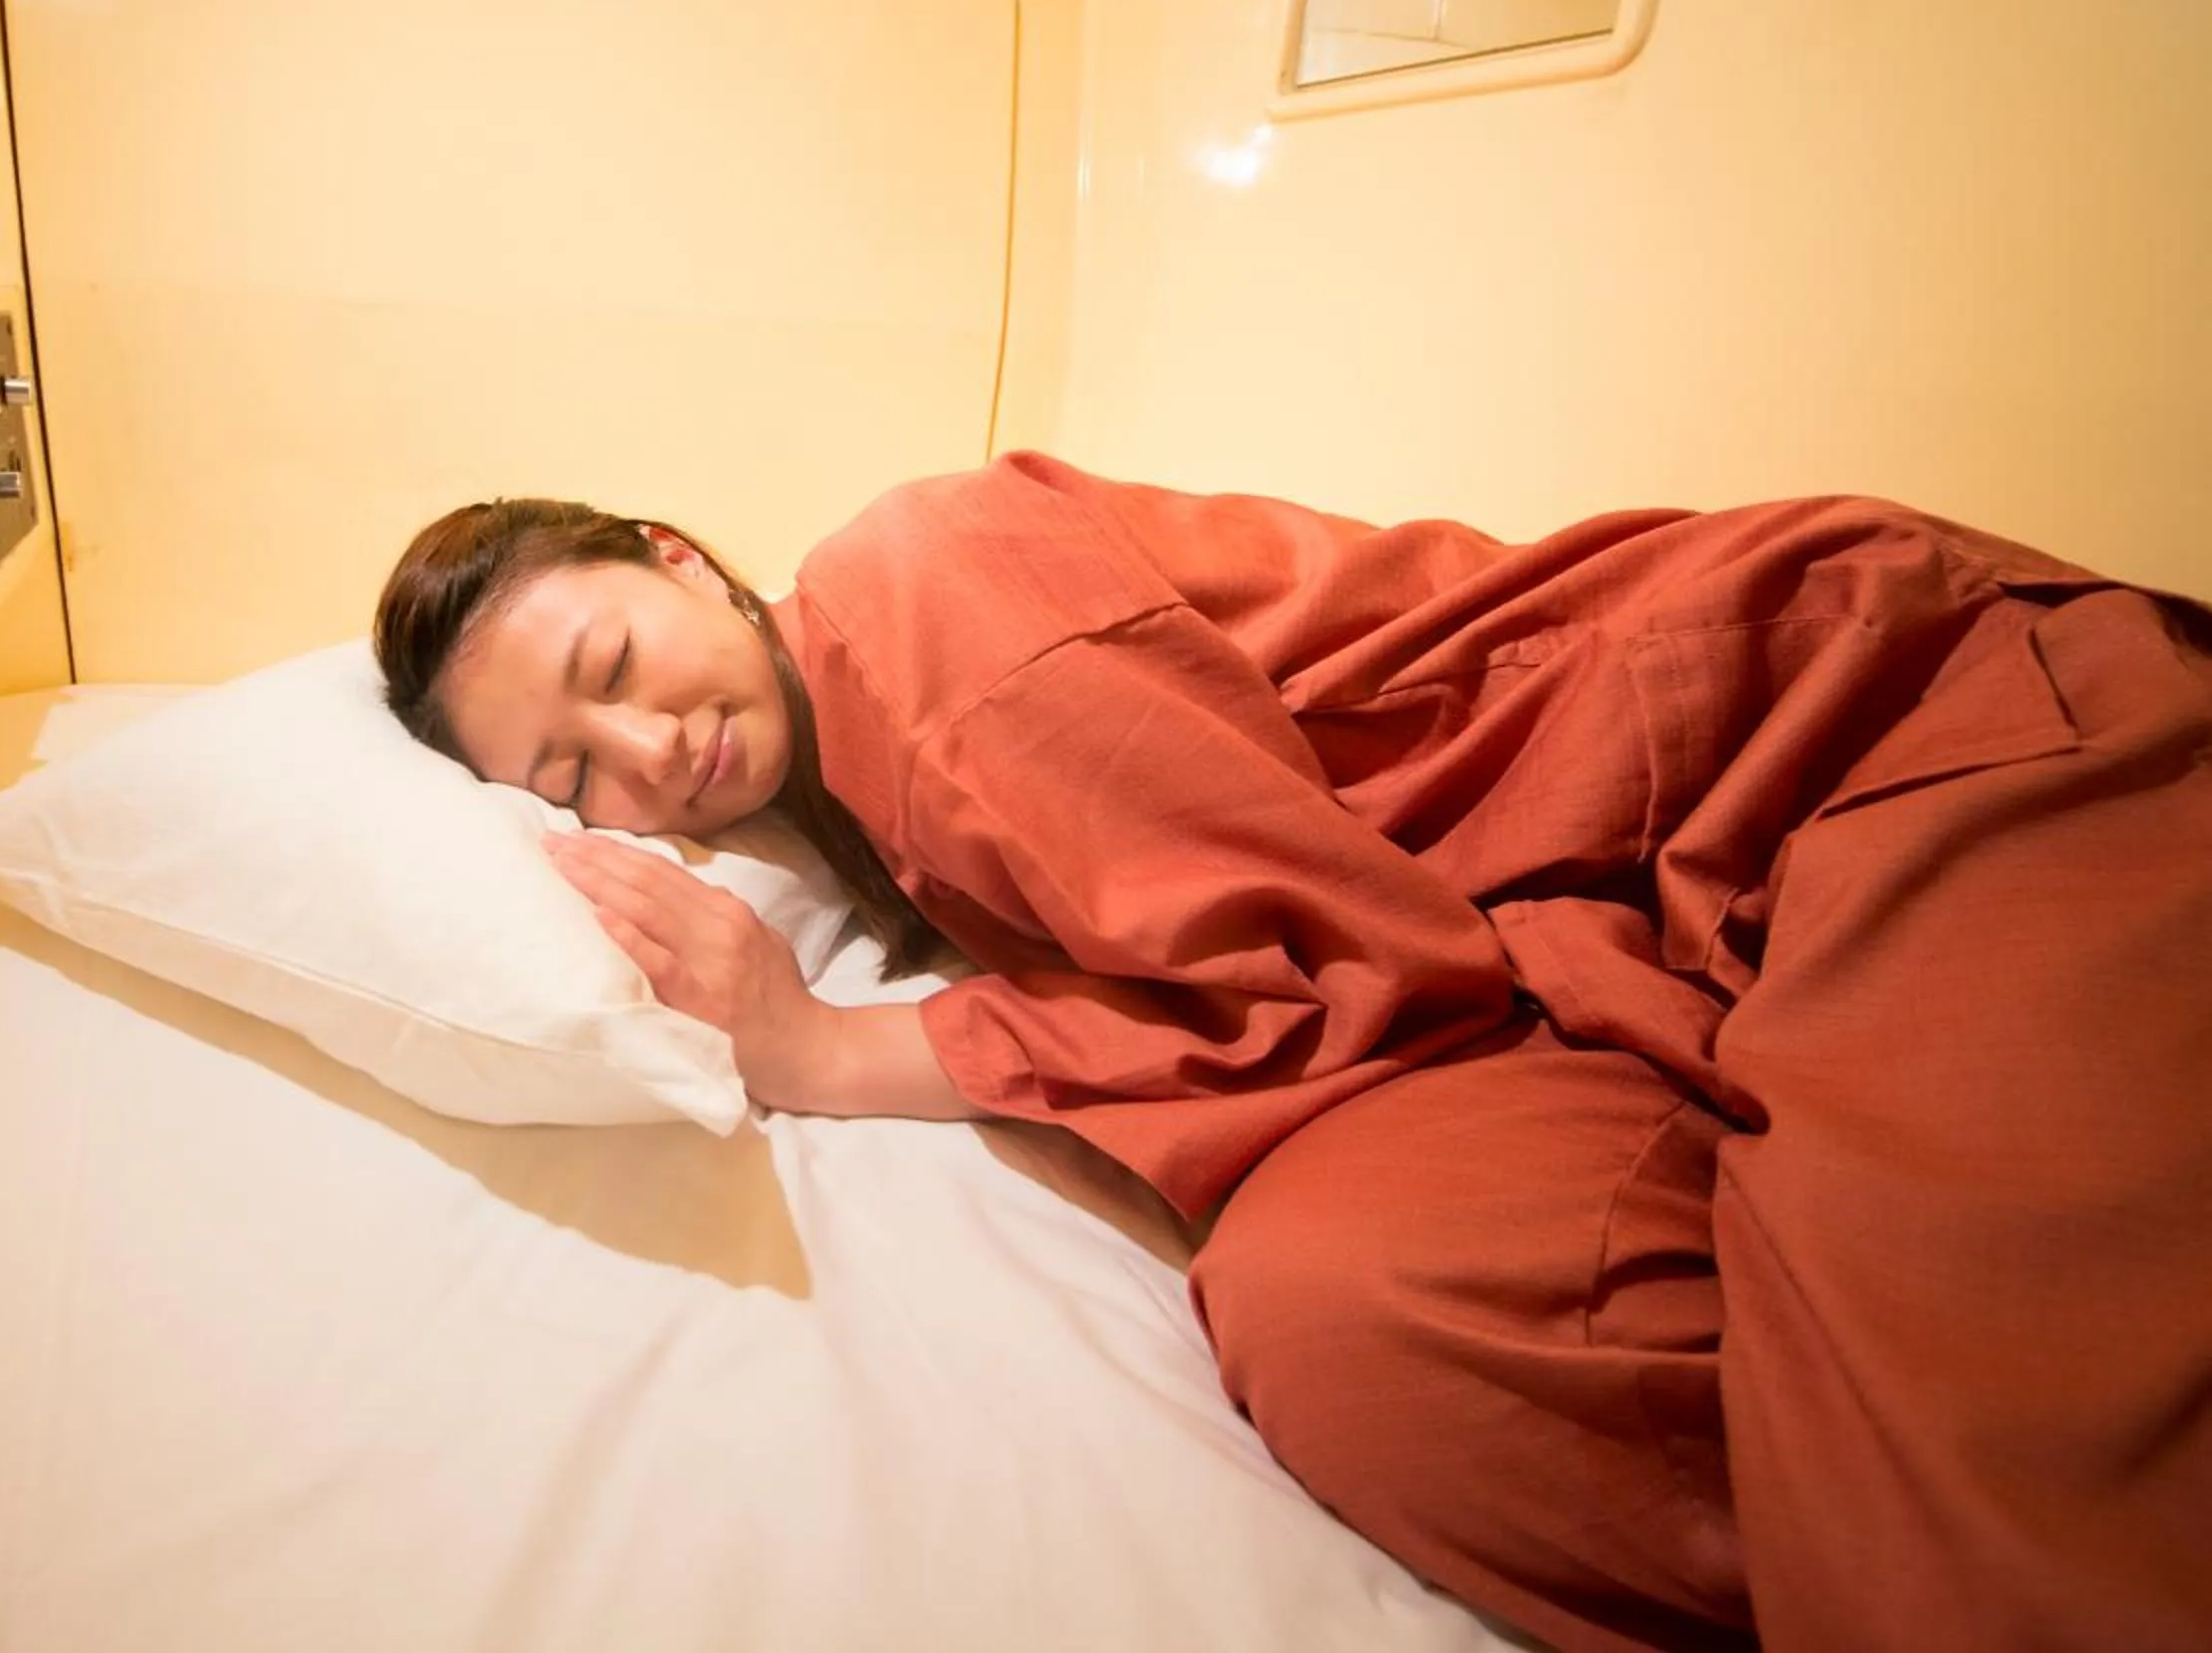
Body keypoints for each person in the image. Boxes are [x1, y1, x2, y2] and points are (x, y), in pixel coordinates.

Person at [370, 450, 2212, 1653]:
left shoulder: (906, 593)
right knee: (1352, 1320)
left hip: (1869, 746)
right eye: (572, 775)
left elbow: (1344, 977)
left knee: (1986, 1419)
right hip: (1612, 940)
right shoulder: (853, 801)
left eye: (615, 662)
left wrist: (829, 1050)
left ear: (684, 560)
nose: (643, 754)